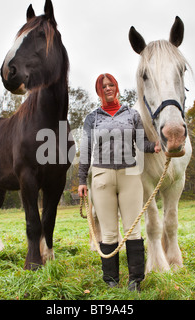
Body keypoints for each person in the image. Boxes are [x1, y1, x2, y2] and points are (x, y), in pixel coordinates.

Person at [78, 73, 161, 291]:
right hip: (102, 176)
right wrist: (81, 180)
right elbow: (86, 151)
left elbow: (142, 143)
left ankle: (135, 280)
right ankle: (111, 281)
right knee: (108, 232)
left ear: (117, 87)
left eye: (111, 84)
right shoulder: (92, 118)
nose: (107, 88)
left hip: (130, 175)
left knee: (133, 229)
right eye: (103, 86)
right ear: (99, 91)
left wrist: (155, 147)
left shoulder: (132, 115)